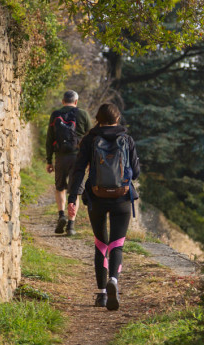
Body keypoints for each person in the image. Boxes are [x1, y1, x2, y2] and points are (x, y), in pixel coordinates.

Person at [67, 103, 140, 311]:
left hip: (96, 197)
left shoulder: (90, 139)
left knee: (101, 243)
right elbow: (135, 173)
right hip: (122, 198)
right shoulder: (126, 139)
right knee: (117, 243)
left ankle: (101, 295)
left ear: (98, 118)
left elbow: (79, 170)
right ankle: (114, 281)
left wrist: (73, 197)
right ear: (117, 119)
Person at [46, 90, 93, 236]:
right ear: (76, 102)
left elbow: (49, 139)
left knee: (60, 187)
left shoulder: (55, 114)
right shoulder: (83, 114)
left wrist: (49, 160)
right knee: (75, 191)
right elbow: (91, 138)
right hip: (78, 158)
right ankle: (71, 225)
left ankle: (61, 215)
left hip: (60, 157)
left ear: (62, 101)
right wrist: (90, 160)